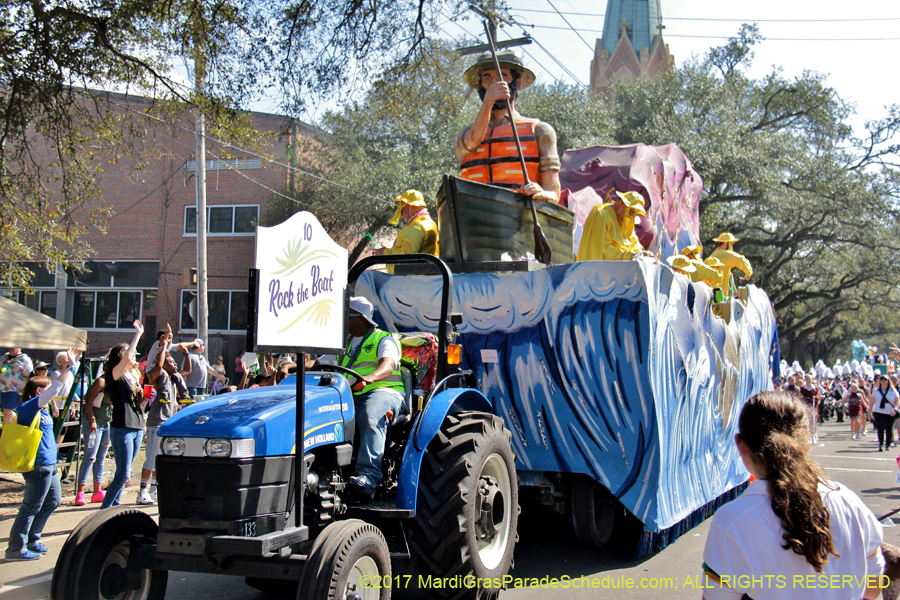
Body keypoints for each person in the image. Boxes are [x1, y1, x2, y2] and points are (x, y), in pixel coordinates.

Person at [701, 391, 884, 600]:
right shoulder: (849, 502)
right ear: (806, 444)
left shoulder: (732, 520)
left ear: (740, 444)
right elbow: (873, 586)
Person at [307, 297, 406, 500]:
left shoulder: (383, 339)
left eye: (347, 316)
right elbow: (318, 364)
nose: (342, 321)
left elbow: (388, 365)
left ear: (361, 318)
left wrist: (371, 378)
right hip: (349, 394)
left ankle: (368, 476)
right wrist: (291, 367)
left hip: (383, 391)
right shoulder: (343, 344)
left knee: (370, 415)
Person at [455, 49, 560, 202]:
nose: (493, 84)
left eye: (501, 77)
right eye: (487, 78)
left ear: (516, 83)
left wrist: (544, 193)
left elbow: (553, 192)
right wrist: (488, 101)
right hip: (474, 212)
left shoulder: (540, 131)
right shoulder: (465, 134)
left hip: (520, 213)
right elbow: (471, 143)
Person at [5, 349, 77, 561]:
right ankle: (15, 548)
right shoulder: (29, 407)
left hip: (49, 464)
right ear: (38, 391)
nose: (52, 394)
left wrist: (72, 368)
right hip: (38, 465)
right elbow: (56, 388)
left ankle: (32, 540)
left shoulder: (42, 410)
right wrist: (71, 367)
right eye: (46, 390)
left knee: (53, 501)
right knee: (31, 506)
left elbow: (58, 388)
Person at [101, 321, 148, 508]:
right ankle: (104, 509)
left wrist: (146, 398)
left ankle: (115, 507)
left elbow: (138, 402)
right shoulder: (115, 374)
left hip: (136, 426)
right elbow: (128, 355)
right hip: (122, 427)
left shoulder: (132, 376)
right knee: (123, 474)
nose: (133, 356)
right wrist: (138, 334)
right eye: (130, 353)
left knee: (125, 473)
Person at [137, 341, 189, 505]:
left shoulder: (174, 379)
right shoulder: (159, 378)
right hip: (156, 423)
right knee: (151, 458)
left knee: (160, 458)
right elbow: (158, 367)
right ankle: (142, 491)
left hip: (167, 423)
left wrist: (186, 353)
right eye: (171, 362)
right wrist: (164, 348)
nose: (175, 364)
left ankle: (154, 489)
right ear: (164, 365)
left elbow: (187, 370)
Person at [577, 191, 648, 261]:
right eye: (631, 212)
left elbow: (633, 243)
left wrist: (644, 254)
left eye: (634, 214)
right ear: (622, 203)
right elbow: (605, 249)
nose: (631, 217)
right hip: (599, 267)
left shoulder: (625, 220)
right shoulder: (602, 214)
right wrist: (630, 255)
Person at [74, 375, 111, 505]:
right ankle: (80, 492)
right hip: (95, 423)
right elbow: (88, 401)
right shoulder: (101, 381)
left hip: (107, 423)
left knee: (101, 458)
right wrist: (92, 420)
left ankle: (97, 490)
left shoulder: (117, 381)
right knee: (90, 457)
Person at [373, 190, 439, 260]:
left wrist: (384, 252)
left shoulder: (416, 225)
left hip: (413, 267)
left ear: (413, 206)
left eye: (403, 203)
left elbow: (407, 255)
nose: (400, 208)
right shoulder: (427, 221)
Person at [1, 348, 33, 425]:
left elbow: (30, 377)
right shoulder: (4, 357)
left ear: (20, 347)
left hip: (14, 391)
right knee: (5, 412)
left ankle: (7, 431)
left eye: (14, 346)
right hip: (2, 389)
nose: (11, 347)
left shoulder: (25, 360)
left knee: (8, 412)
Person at [868, 375, 898, 451]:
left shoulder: (892, 391)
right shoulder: (876, 391)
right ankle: (881, 444)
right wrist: (869, 412)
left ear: (888, 381)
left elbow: (898, 401)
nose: (883, 381)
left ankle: (888, 444)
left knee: (889, 428)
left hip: (890, 412)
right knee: (880, 428)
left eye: (885, 379)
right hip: (878, 411)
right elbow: (872, 402)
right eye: (881, 379)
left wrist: (895, 409)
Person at [799, 374, 821, 444]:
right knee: (807, 420)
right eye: (807, 379)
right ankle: (808, 435)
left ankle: (814, 434)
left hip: (813, 406)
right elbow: (800, 395)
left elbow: (818, 397)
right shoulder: (803, 388)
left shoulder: (814, 388)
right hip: (806, 406)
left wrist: (818, 401)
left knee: (813, 421)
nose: (808, 381)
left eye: (809, 379)